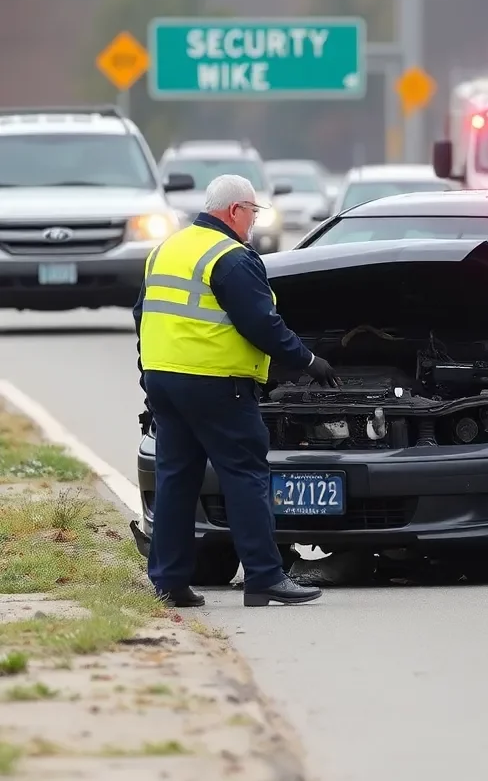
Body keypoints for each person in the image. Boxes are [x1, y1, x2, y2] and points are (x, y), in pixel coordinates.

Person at [134, 173, 341, 608]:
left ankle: (168, 582)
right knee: (245, 475)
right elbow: (261, 323)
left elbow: (143, 314)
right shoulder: (230, 256)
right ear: (234, 211)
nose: (253, 221)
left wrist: (148, 373)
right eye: (253, 212)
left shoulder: (165, 250)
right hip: (216, 384)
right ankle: (265, 577)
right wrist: (308, 361)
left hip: (164, 380)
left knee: (176, 480)